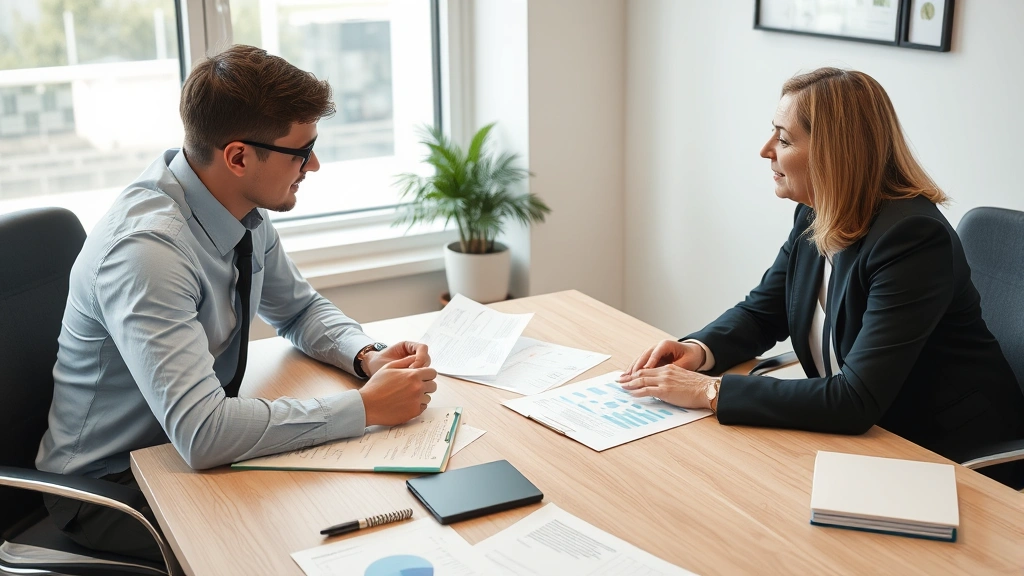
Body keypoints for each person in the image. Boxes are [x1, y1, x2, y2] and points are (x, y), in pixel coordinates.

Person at [35, 45, 438, 561]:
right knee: (291, 550)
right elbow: (204, 434)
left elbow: (298, 309)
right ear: (239, 156)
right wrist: (366, 406)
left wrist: (367, 354)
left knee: (345, 518)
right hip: (112, 488)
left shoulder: (236, 203)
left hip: (178, 451)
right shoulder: (147, 254)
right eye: (302, 150)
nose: (314, 164)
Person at [618, 67, 1024, 489]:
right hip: (865, 442)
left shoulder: (913, 239)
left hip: (948, 459)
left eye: (784, 138)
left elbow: (854, 400)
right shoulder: (816, 211)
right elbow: (762, 312)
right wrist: (697, 352)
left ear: (834, 152)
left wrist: (709, 392)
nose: (765, 150)